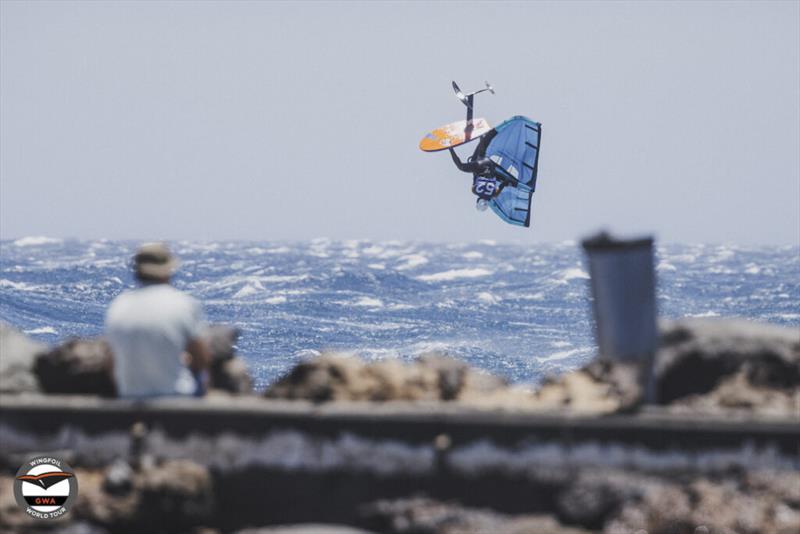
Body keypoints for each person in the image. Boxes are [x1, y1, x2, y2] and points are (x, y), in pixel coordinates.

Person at [105, 243, 211, 398]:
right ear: (167, 271)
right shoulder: (183, 303)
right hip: (176, 397)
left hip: (129, 398)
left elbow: (112, 362)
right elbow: (201, 359)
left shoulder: (118, 305)